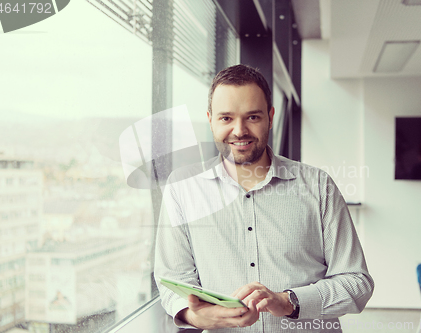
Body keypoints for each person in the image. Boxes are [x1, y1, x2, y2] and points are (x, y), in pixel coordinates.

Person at [154, 64, 374, 332]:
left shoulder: (318, 185)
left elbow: (357, 282)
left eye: (253, 117)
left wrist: (289, 302)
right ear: (210, 119)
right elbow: (172, 280)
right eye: (226, 118)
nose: (239, 130)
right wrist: (196, 316)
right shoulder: (182, 188)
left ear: (270, 116)